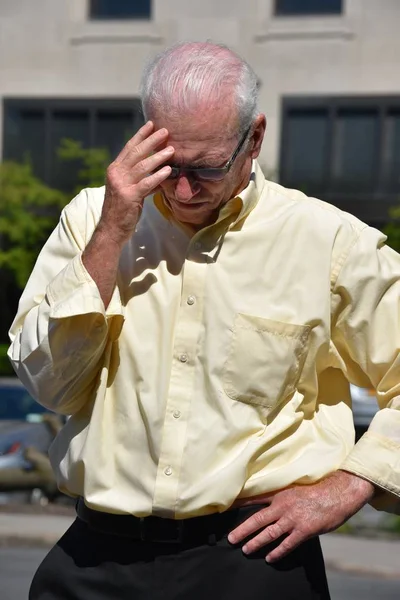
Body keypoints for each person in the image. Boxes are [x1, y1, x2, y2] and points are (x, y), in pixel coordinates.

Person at [8, 41, 400, 600]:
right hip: (96, 556)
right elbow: (49, 386)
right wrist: (112, 232)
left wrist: (354, 483)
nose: (185, 189)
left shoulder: (329, 242)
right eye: (169, 165)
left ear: (255, 138)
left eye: (207, 168)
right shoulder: (92, 220)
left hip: (252, 561)